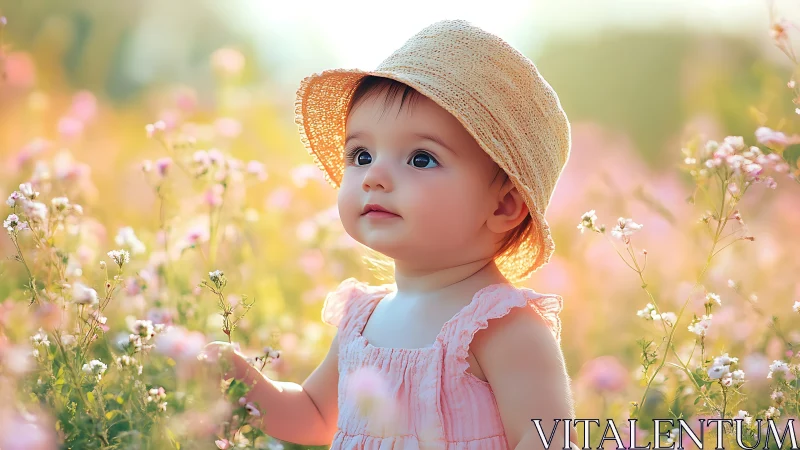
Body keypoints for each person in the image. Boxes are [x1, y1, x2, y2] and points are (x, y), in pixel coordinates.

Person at [207, 19, 579, 450]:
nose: (375, 176)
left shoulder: (503, 328)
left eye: (421, 159)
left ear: (503, 205)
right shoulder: (362, 319)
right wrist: (245, 382)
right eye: (361, 154)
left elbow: (547, 441)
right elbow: (314, 414)